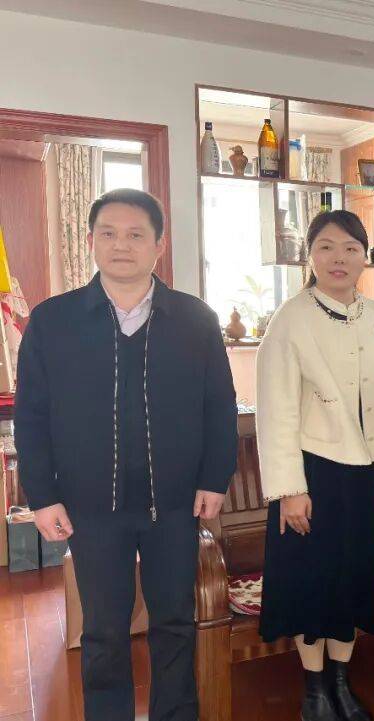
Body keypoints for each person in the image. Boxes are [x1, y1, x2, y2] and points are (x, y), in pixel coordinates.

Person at [15, 188, 237, 721]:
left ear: (159, 245)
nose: (122, 245)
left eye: (136, 234)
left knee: (175, 622)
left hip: (175, 504)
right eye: (109, 233)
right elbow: (32, 415)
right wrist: (42, 496)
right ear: (91, 241)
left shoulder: (195, 319)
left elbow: (219, 406)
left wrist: (215, 478)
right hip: (91, 505)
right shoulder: (53, 321)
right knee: (104, 630)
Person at [256, 210, 374, 721]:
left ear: (364, 257)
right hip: (312, 473)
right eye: (327, 247)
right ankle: (314, 689)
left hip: (365, 471)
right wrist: (290, 488)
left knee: (353, 578)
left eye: (351, 248)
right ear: (310, 255)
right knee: (311, 581)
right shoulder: (290, 318)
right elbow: (275, 408)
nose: (339, 258)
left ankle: (340, 681)